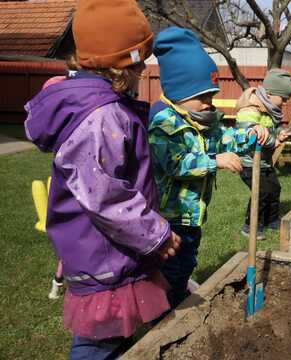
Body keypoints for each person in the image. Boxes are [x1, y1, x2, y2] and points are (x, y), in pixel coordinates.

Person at [24, 0, 180, 358]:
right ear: (124, 66)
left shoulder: (103, 108)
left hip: (105, 249)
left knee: (116, 336)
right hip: (103, 255)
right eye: (141, 63)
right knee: (98, 343)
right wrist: (154, 234)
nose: (143, 72)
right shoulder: (102, 117)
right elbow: (105, 197)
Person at [148, 27, 270, 308]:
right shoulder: (164, 123)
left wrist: (248, 134)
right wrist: (214, 161)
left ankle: (175, 296)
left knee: (187, 260)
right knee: (172, 268)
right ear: (179, 90)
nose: (209, 103)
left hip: (192, 216)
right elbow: (174, 163)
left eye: (212, 96)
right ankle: (162, 314)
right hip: (170, 217)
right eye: (202, 96)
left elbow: (223, 139)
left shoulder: (202, 119)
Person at [235, 69, 291, 240]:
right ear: (269, 94)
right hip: (249, 163)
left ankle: (271, 220)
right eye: (283, 99)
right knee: (261, 192)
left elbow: (272, 129)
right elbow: (250, 133)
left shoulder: (269, 110)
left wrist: (279, 134)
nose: (284, 103)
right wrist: (272, 142)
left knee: (274, 188)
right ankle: (251, 226)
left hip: (265, 162)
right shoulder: (250, 109)